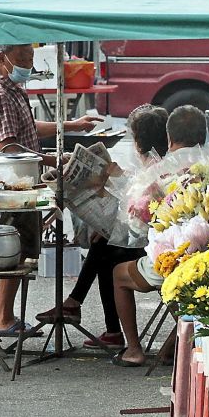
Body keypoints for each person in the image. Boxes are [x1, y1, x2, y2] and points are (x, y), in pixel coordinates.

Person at [0, 43, 101, 335]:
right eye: (22, 59)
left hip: (24, 182)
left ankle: (2, 315)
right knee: (15, 251)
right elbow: (10, 146)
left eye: (30, 59)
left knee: (20, 250)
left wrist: (72, 125)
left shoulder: (12, 88)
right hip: (12, 184)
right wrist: (52, 157)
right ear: (2, 58)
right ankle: (2, 318)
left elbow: (29, 127)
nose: (27, 65)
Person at [37, 105, 169, 347]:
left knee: (107, 254)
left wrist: (117, 179)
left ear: (139, 141)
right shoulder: (157, 164)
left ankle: (83, 309)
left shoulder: (157, 170)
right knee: (103, 243)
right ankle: (86, 312)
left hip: (157, 247)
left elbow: (141, 219)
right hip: (150, 240)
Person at [109, 104, 209, 364]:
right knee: (179, 285)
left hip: (176, 260)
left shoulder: (159, 173)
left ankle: (133, 350)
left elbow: (136, 226)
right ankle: (174, 347)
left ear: (169, 138)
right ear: (203, 136)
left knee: (119, 275)